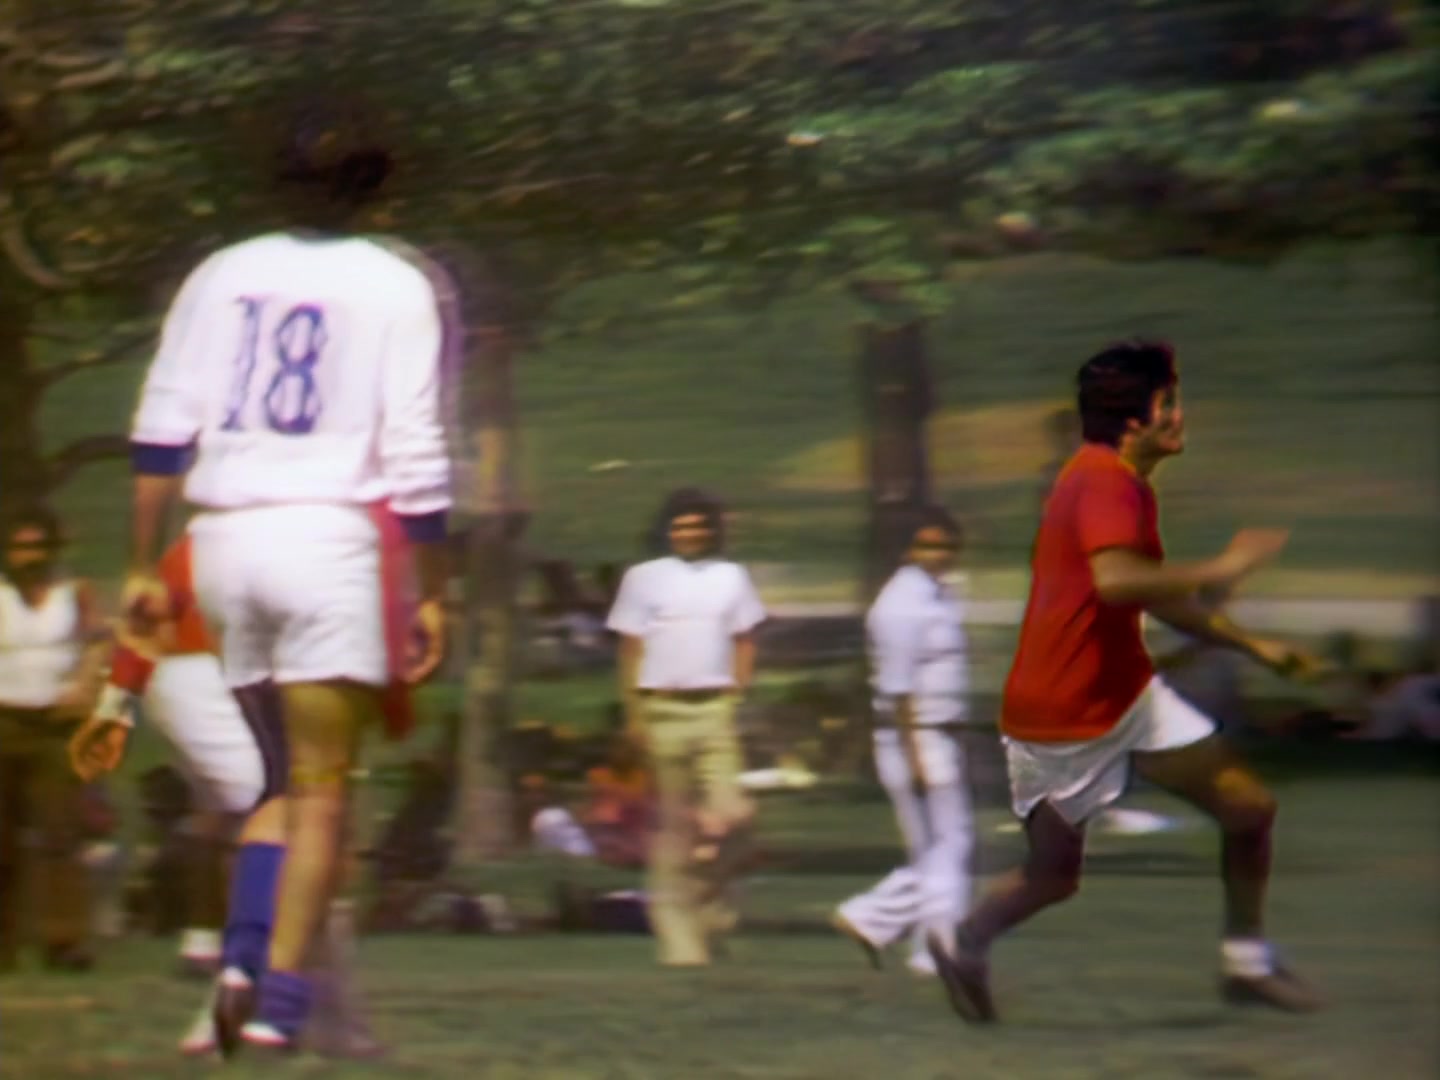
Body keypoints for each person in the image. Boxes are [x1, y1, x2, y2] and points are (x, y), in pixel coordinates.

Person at [120, 96, 456, 1055]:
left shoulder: (222, 271)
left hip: (227, 541)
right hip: (326, 540)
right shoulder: (396, 282)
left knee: (273, 779)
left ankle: (240, 955)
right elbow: (416, 449)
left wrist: (141, 562)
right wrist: (434, 590)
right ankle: (281, 1002)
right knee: (322, 790)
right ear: (375, 185)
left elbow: (162, 426)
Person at [928, 340, 1327, 1024]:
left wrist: (1254, 646)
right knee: (1055, 876)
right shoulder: (1102, 480)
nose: (1181, 415)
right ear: (1136, 420)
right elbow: (1117, 581)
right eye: (1170, 402)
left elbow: (1152, 594)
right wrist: (1224, 566)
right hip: (1065, 709)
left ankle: (1246, 964)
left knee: (1248, 809)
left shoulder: (1123, 485)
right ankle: (965, 940)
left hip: (1123, 693)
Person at [605, 488, 766, 966]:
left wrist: (736, 691)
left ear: (713, 531)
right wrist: (635, 715)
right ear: (666, 531)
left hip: (714, 709)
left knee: (733, 815)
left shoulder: (731, 576)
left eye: (698, 526)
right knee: (675, 829)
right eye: (680, 526)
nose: (690, 534)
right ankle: (680, 938)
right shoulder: (643, 578)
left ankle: (713, 909)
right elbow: (631, 650)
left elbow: (745, 640)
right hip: (662, 711)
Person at [833, 506, 975, 978]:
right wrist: (915, 754)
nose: (939, 554)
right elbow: (899, 689)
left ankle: (899, 932)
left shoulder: (940, 595)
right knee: (947, 845)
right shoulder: (900, 605)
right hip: (916, 736)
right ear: (908, 550)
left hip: (942, 732)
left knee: (939, 849)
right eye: (928, 545)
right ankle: (915, 938)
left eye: (947, 545)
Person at [0, 503, 109, 972]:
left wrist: (86, 685)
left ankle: (63, 939)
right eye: (20, 548)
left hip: (56, 722)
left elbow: (99, 640)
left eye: (38, 547)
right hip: (5, 718)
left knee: (60, 830)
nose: (30, 557)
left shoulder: (74, 593)